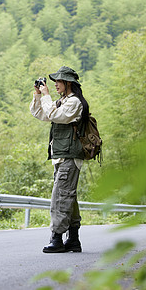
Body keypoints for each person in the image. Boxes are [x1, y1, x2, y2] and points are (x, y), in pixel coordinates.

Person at [29, 66, 89, 253]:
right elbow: (41, 113)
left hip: (70, 156)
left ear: (68, 83)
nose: (55, 84)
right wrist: (38, 95)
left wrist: (46, 97)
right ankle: (73, 239)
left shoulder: (75, 103)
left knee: (60, 197)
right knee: (68, 196)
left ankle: (57, 239)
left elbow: (55, 115)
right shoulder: (63, 101)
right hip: (62, 156)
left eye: (58, 81)